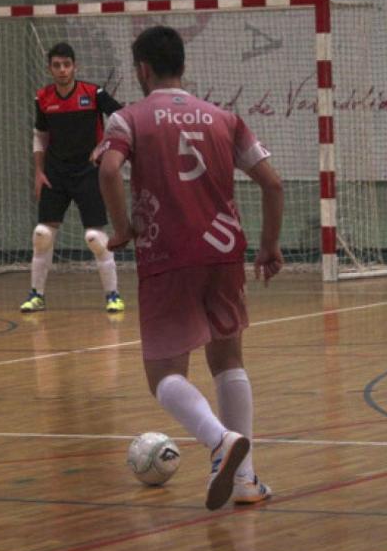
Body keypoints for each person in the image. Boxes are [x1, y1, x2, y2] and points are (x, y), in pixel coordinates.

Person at [96, 26, 284, 510]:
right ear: (182, 65)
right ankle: (244, 480)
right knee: (228, 361)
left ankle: (218, 440)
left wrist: (121, 228)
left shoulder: (128, 118)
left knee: (163, 374)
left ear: (142, 69)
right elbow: (273, 184)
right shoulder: (224, 118)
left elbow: (110, 170)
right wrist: (268, 247)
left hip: (168, 255)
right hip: (224, 251)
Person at [22, 42, 126, 313]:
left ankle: (113, 295)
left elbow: (122, 119)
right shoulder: (43, 98)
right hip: (55, 173)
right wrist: (39, 171)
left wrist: (102, 148)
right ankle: (36, 295)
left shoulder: (93, 94)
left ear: (75, 66)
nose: (62, 70)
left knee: (94, 237)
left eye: (66, 65)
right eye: (56, 65)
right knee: (42, 234)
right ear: (50, 68)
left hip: (87, 173)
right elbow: (40, 136)